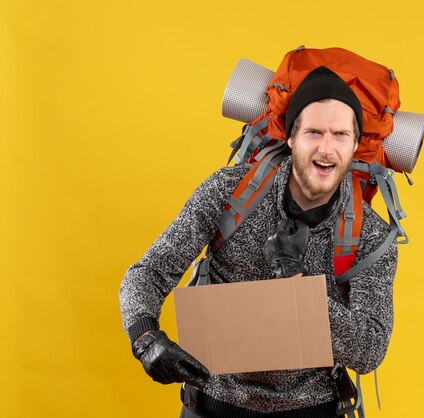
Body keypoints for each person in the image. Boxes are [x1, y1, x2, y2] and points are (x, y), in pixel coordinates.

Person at [119, 66, 398, 418]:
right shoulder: (228, 192)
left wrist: (298, 287)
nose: (326, 149)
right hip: (214, 403)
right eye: (314, 132)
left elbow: (369, 349)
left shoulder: (367, 233)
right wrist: (145, 338)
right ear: (292, 138)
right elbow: (148, 272)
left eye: (340, 134)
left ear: (355, 144)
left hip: (312, 407)